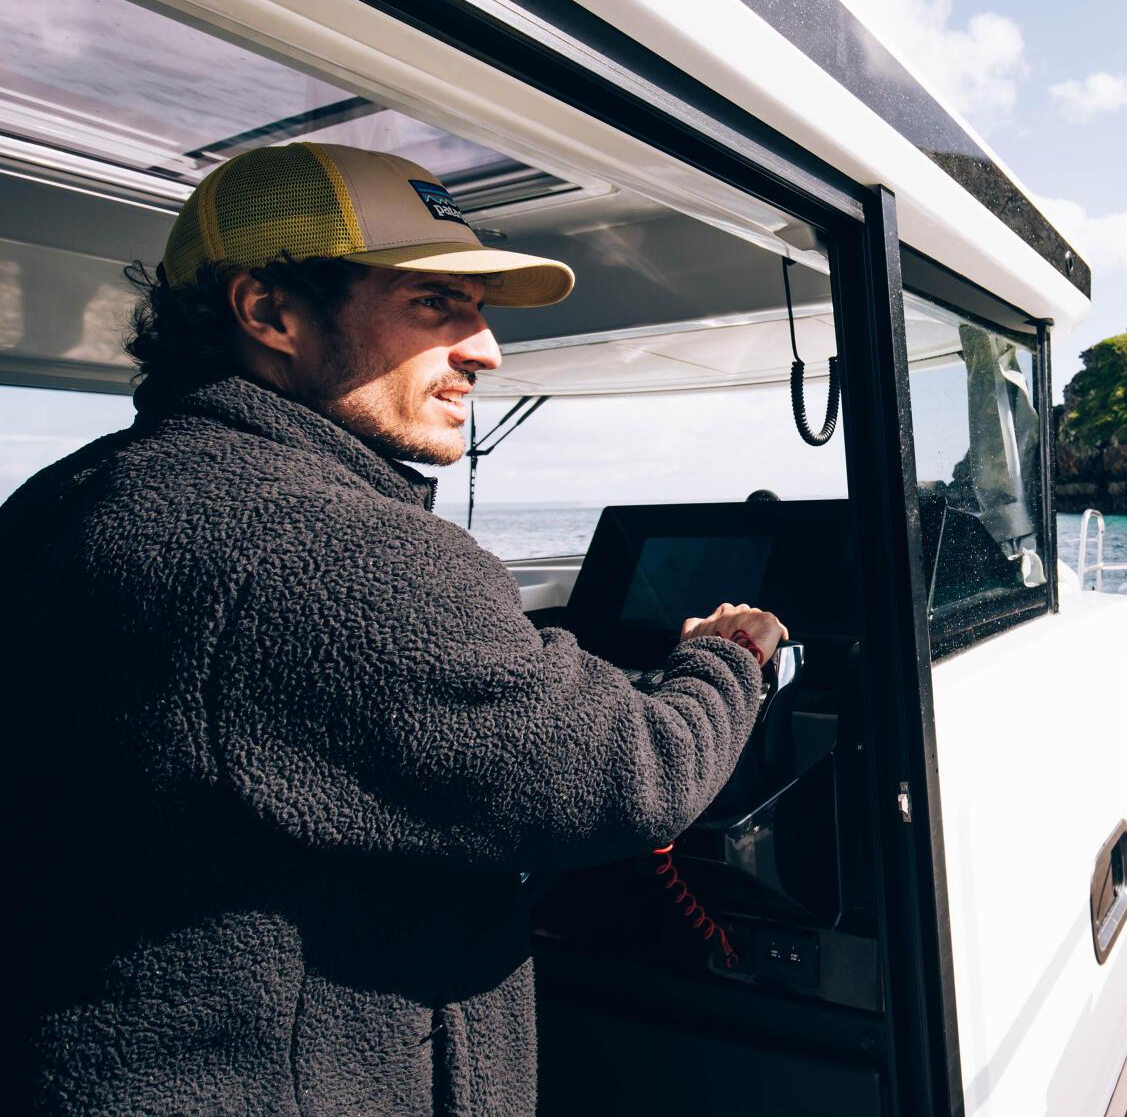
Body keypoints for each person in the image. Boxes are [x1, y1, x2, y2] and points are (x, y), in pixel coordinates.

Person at [0, 142, 784, 1115]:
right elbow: (634, 774)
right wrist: (724, 657)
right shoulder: (335, 547)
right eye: (433, 302)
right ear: (269, 311)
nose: (485, 348)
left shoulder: (61, 498)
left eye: (479, 309)